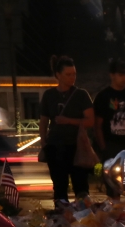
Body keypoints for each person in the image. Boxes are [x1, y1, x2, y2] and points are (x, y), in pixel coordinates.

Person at [38, 55, 95, 202]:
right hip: (55, 147)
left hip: (77, 146)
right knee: (59, 188)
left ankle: (84, 220)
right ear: (58, 75)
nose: (72, 77)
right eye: (68, 74)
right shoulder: (49, 95)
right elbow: (43, 121)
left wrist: (69, 121)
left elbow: (90, 121)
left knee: (81, 188)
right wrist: (44, 143)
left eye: (74, 74)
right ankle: (61, 220)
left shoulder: (81, 95)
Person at [93, 59, 125, 169]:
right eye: (121, 74)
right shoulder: (103, 96)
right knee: (113, 183)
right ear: (112, 75)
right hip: (112, 146)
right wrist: (104, 149)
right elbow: (97, 125)